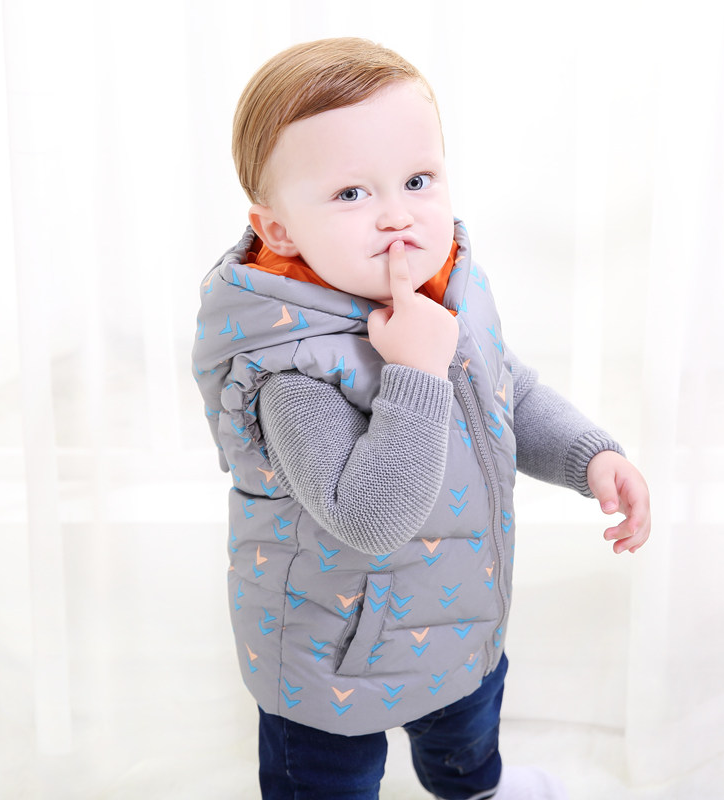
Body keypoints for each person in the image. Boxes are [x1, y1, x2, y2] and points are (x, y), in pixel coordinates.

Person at [192, 37, 650, 800]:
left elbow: (506, 390)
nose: (397, 216)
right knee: (328, 780)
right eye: (351, 194)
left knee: (465, 731)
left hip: (455, 613)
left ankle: (478, 788)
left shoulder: (446, 289)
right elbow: (368, 518)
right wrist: (414, 370)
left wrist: (588, 456)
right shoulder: (289, 371)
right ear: (279, 232)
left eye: (416, 180)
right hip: (332, 654)